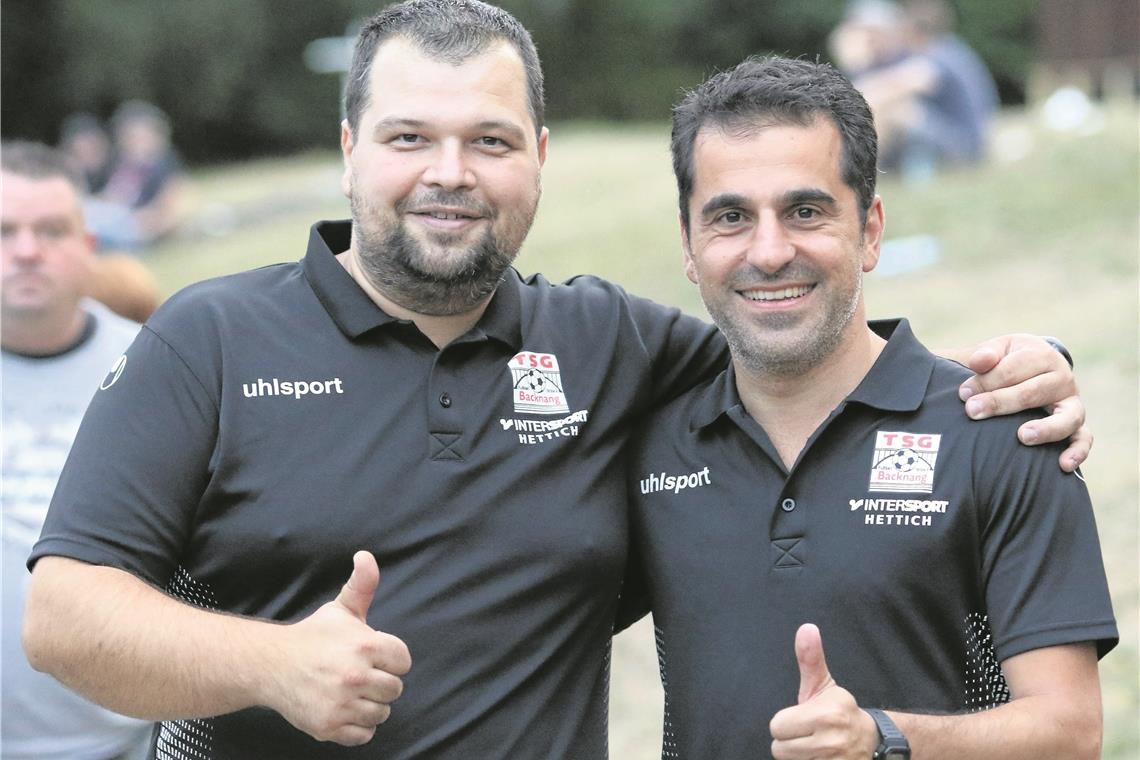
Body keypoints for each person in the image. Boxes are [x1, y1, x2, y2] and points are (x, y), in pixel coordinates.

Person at [22, 2, 1091, 758]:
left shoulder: (610, 344)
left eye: (488, 139)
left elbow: (794, 336)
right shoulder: (208, 338)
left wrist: (1018, 376)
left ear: (539, 155)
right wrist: (270, 666)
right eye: (410, 138)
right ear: (349, 150)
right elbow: (64, 615)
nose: (450, 173)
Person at [628, 55, 1116, 759]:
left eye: (806, 211)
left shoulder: (1001, 430)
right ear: (688, 244)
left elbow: (1072, 733)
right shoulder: (649, 444)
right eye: (730, 217)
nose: (769, 252)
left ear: (872, 231)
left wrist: (883, 738)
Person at [1, 141, 153, 759]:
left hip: (127, 740)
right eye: (5, 231)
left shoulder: (157, 366)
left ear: (89, 247)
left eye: (52, 230)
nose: (28, 250)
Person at [843, 0, 999, 180]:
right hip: (968, 141)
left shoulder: (939, 55)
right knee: (894, 107)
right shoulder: (951, 49)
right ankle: (865, 172)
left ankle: (861, 174)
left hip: (966, 147)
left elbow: (902, 84)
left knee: (900, 110)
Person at [85, 101, 189, 251]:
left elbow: (170, 209)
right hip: (116, 220)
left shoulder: (164, 164)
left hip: (136, 227)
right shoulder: (124, 165)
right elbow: (112, 197)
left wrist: (143, 223)